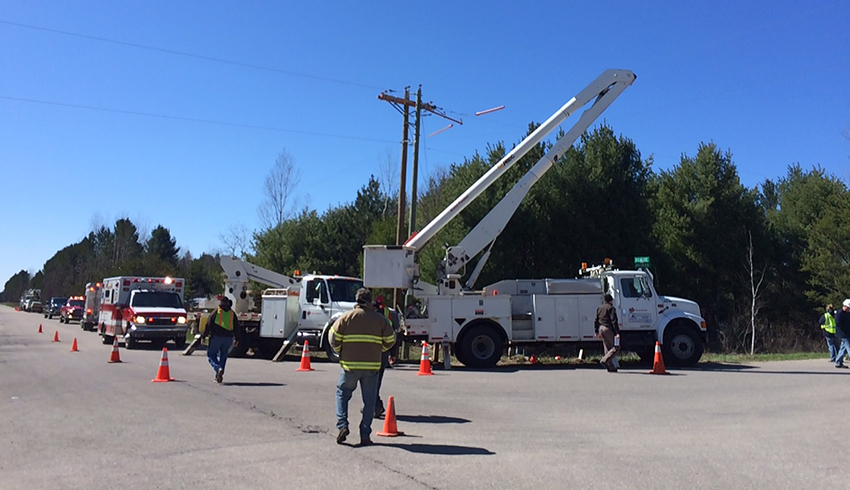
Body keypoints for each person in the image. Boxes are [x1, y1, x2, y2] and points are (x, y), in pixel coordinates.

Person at [330, 288, 395, 446]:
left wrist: (340, 352)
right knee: (369, 401)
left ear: (356, 300)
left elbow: (333, 337)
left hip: (350, 366)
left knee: (342, 394)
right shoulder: (379, 319)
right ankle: (365, 434)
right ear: (369, 300)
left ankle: (343, 426)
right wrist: (380, 350)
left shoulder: (346, 317)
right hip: (372, 366)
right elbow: (391, 339)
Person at [373, 295, 398, 419]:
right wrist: (392, 353)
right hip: (383, 352)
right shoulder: (387, 314)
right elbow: (393, 336)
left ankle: (375, 406)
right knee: (375, 381)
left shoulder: (369, 317)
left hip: (372, 353)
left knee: (370, 381)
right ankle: (375, 406)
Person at [203, 296, 238, 383]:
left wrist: (204, 336)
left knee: (211, 355)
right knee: (223, 355)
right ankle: (218, 375)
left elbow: (208, 324)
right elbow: (237, 327)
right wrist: (237, 339)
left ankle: (218, 368)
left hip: (217, 337)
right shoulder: (232, 313)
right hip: (228, 338)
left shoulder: (216, 311)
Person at [594, 293, 620, 372]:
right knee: (616, 347)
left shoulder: (599, 308)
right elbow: (614, 321)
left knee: (607, 347)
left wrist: (596, 331)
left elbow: (596, 320)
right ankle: (605, 360)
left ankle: (610, 367)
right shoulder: (611, 308)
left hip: (601, 328)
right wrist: (617, 333)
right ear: (610, 300)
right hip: (608, 328)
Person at [833, 299, 850, 369]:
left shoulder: (848, 313)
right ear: (845, 306)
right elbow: (838, 323)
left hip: (847, 333)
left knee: (843, 348)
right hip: (843, 333)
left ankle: (838, 362)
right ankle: (838, 362)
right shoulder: (839, 313)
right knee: (849, 347)